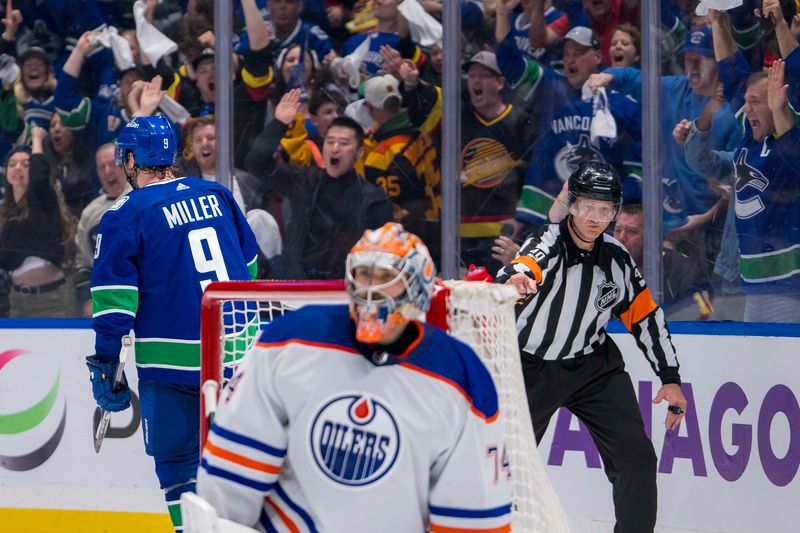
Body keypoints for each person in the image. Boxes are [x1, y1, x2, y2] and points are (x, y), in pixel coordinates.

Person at [196, 222, 511, 531]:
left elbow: (471, 513)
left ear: (417, 287)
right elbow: (233, 470)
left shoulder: (462, 377)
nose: (371, 290)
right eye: (364, 275)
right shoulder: (290, 341)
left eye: (387, 277)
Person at [86, 116, 259, 533]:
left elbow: (115, 307)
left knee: (179, 468)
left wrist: (107, 365)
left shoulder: (124, 214)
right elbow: (250, 266)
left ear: (130, 159)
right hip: (242, 358)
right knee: (247, 467)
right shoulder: (217, 194)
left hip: (173, 367)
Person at [496, 161, 687, 533]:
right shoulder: (547, 241)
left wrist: (670, 376)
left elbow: (646, 317)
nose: (595, 218)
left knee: (637, 459)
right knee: (503, 466)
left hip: (592, 369)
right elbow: (525, 264)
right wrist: (516, 278)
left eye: (605, 209)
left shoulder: (617, 258)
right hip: (527, 368)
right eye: (587, 207)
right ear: (572, 204)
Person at [245, 90, 393, 279]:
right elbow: (256, 163)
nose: (335, 148)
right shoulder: (303, 180)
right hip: (299, 289)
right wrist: (279, 124)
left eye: (344, 143)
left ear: (359, 152)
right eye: (330, 142)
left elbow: (383, 256)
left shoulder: (375, 200)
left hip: (347, 293)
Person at [0, 128, 76, 318]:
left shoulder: (44, 202)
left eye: (26, 164)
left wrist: (36, 139)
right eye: (13, 164)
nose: (18, 168)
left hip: (53, 299)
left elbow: (39, 179)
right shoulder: (3, 216)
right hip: (17, 301)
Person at [74, 143, 131, 317]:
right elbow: (82, 264)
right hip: (106, 301)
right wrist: (87, 300)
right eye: (101, 167)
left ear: (126, 165)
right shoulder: (90, 213)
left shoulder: (142, 199)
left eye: (113, 164)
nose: (108, 172)